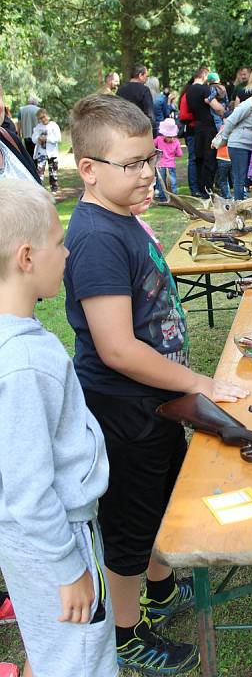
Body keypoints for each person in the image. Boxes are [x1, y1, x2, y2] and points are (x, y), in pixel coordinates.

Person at [64, 93, 248, 674]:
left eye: (150, 159)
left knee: (163, 500)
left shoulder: (123, 218)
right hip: (125, 413)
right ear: (88, 170)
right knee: (129, 528)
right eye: (133, 164)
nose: (148, 172)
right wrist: (198, 382)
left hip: (157, 405)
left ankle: (164, 589)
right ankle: (126, 633)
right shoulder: (95, 238)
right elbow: (117, 348)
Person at [0, 178, 118, 677]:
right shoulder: (24, 361)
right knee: (80, 658)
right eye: (59, 241)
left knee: (55, 647)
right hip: (57, 539)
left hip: (32, 540)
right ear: (27, 257)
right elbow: (29, 487)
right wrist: (69, 569)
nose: (67, 253)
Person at [185, 68, 225, 196]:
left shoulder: (189, 90)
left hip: (198, 126)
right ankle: (208, 188)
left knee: (199, 158)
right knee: (209, 159)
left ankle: (201, 188)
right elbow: (217, 108)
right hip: (209, 127)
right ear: (204, 75)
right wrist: (223, 110)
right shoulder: (204, 89)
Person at [0, 84, 40, 183]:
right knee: (35, 158)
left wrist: (19, 134)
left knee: (30, 155)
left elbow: (19, 123)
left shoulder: (22, 110)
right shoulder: (39, 110)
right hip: (38, 139)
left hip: (26, 137)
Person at [221, 91, 252, 200]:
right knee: (239, 178)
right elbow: (230, 121)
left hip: (249, 145)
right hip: (239, 145)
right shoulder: (248, 105)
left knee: (246, 178)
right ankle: (239, 204)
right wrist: (224, 138)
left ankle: (243, 200)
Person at [117, 65, 155, 136]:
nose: (147, 79)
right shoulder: (144, 90)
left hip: (123, 130)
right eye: (146, 76)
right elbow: (150, 114)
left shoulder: (120, 90)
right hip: (140, 130)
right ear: (140, 75)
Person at [31, 108, 61, 194]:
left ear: (47, 115)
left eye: (43, 117)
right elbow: (33, 139)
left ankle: (54, 188)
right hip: (41, 153)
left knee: (53, 170)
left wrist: (47, 139)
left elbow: (58, 138)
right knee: (40, 170)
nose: (42, 119)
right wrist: (38, 138)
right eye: (40, 118)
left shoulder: (54, 126)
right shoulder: (38, 127)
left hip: (52, 153)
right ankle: (40, 187)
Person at [153, 117, 183, 198]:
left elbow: (152, 146)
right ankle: (173, 196)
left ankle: (161, 196)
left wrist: (157, 152)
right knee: (172, 181)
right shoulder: (176, 142)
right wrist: (173, 154)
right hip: (170, 165)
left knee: (161, 181)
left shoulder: (159, 139)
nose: (171, 138)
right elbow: (180, 154)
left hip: (160, 164)